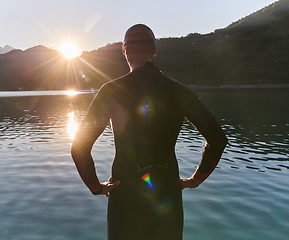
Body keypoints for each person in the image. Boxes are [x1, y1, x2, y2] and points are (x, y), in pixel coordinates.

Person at [71, 24, 228, 240]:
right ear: (154, 51)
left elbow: (79, 147)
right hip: (168, 195)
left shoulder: (111, 91)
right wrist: (195, 180)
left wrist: (96, 187)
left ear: (125, 52)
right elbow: (218, 139)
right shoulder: (179, 91)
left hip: (125, 196)